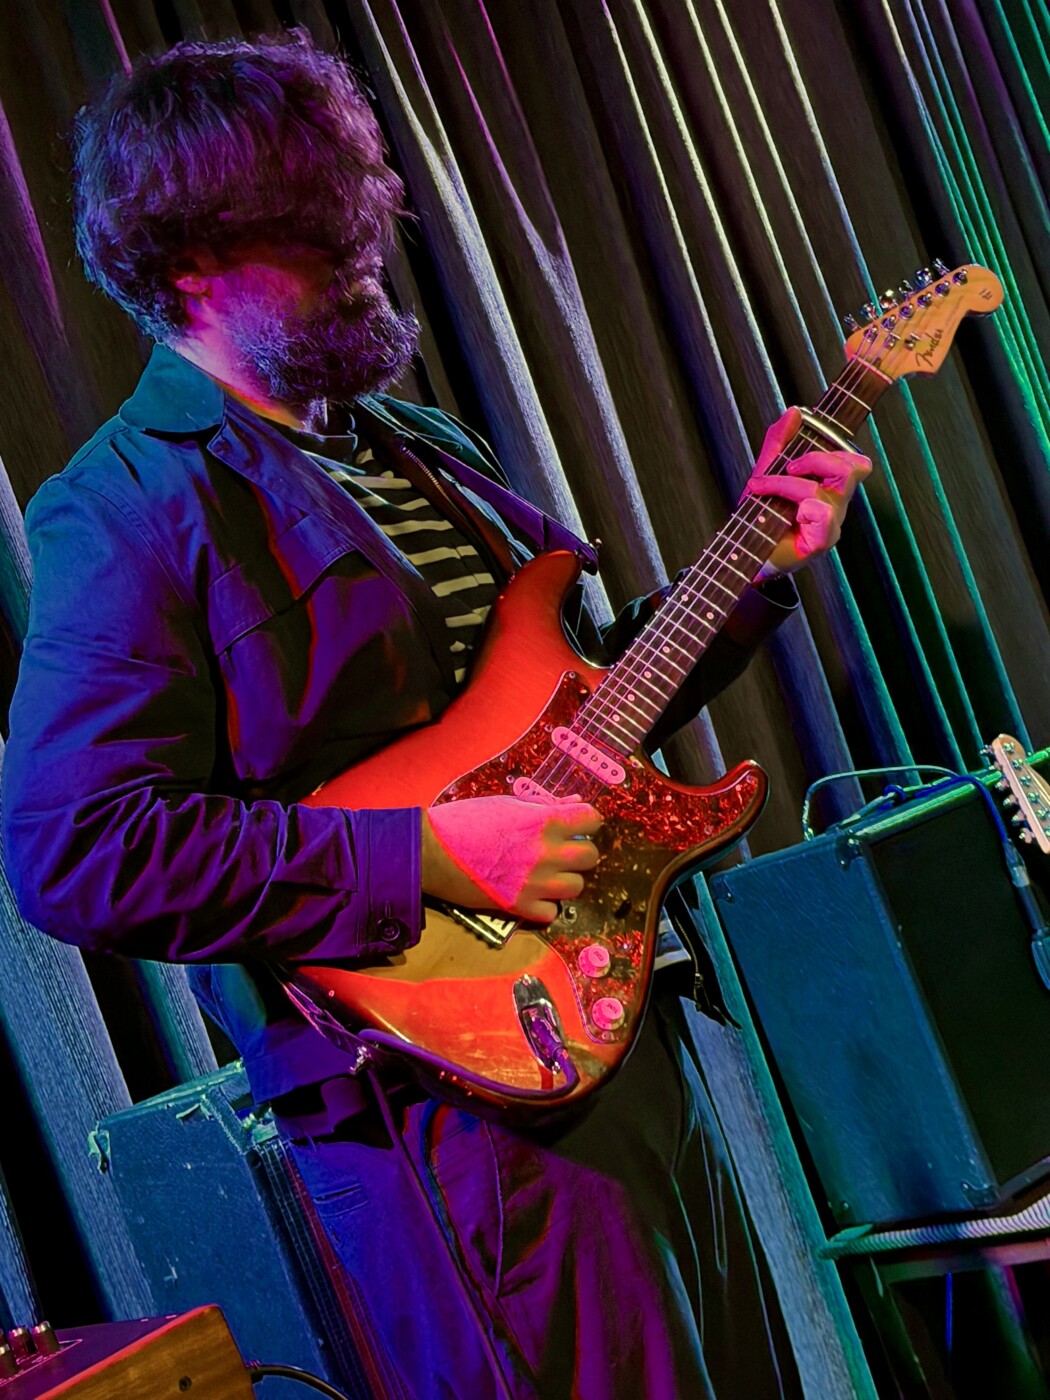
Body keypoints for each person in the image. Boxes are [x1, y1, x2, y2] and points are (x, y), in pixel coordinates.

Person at [0, 33, 870, 1400]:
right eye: (312, 235)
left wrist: (754, 567)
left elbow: (581, 718)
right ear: (189, 265)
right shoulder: (129, 506)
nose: (363, 257)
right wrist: (429, 855)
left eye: (357, 214)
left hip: (602, 1025)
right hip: (434, 1109)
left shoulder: (418, 449)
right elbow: (77, 849)